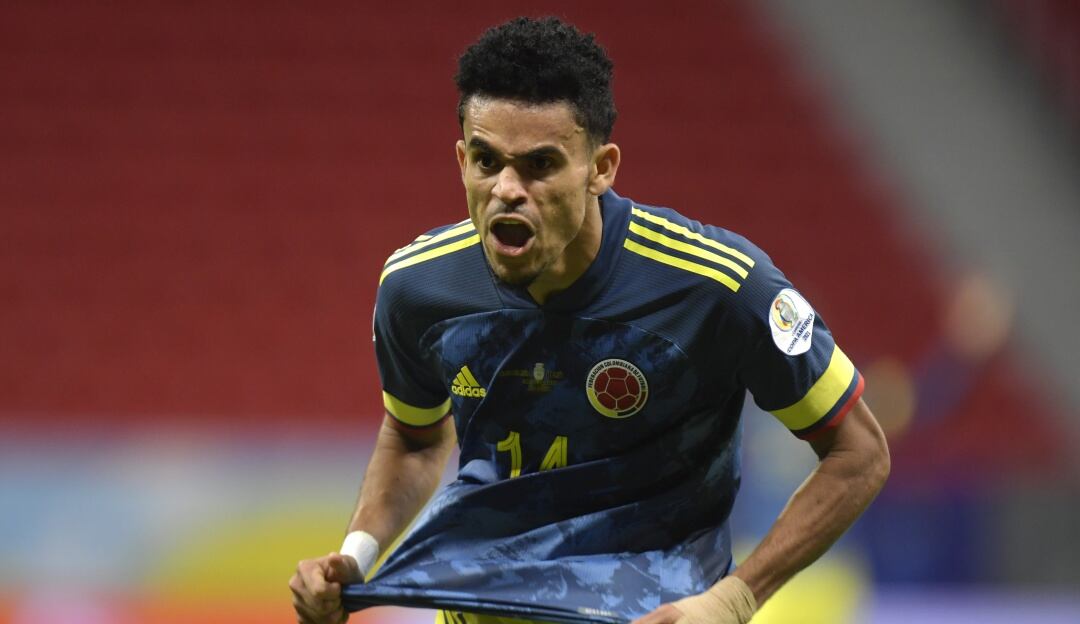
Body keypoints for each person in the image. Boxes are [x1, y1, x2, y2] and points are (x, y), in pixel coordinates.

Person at [290, 16, 890, 624]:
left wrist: (734, 599)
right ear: (460, 157)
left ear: (601, 168)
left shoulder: (719, 286)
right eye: (485, 160)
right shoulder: (418, 289)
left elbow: (858, 452)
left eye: (540, 165)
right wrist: (356, 557)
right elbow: (415, 439)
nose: (506, 189)